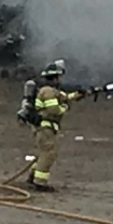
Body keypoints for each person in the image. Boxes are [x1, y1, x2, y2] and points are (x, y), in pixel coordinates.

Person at [28, 59, 88, 192]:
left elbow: (65, 96)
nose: (60, 79)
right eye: (59, 76)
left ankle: (33, 176)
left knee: (44, 152)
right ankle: (40, 182)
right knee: (49, 153)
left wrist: (79, 95)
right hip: (46, 127)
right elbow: (53, 110)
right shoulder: (48, 91)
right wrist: (65, 108)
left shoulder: (49, 90)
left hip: (44, 128)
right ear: (55, 77)